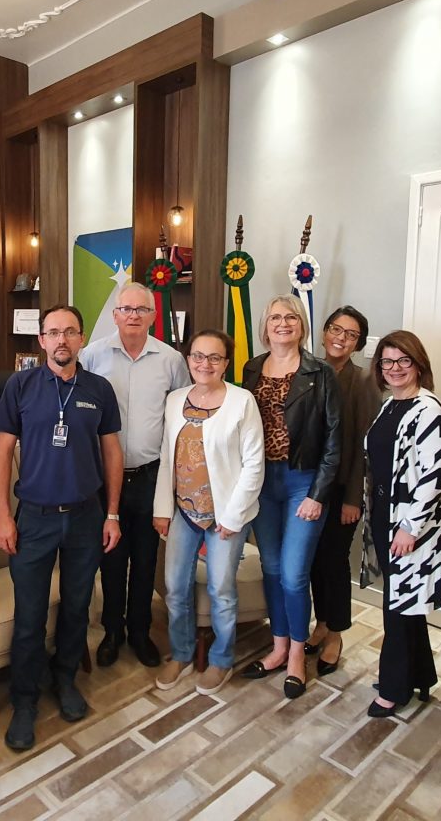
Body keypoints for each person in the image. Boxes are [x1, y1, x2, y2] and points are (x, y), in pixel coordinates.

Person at [0, 305, 123, 751]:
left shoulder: (99, 389)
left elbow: (112, 453)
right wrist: (4, 515)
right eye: (53, 333)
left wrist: (112, 513)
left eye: (69, 332)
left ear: (81, 338)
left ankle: (65, 680)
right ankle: (24, 699)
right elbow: (2, 452)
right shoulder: (20, 385)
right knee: (29, 616)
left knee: (76, 606)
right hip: (35, 518)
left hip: (86, 516)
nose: (61, 340)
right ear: (42, 340)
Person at [79, 282, 190, 668]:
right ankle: (112, 631)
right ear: (115, 315)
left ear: (153, 316)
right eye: (126, 309)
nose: (133, 316)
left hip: (150, 476)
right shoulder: (92, 356)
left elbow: (182, 417)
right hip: (103, 478)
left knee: (145, 560)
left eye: (141, 310)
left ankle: (140, 631)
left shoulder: (171, 360)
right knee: (111, 559)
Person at [151, 330, 265, 695]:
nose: (205, 364)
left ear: (226, 363)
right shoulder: (175, 400)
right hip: (183, 512)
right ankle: (182, 653)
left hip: (225, 517)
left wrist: (233, 517)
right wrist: (162, 508)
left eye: (215, 357)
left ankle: (221, 659)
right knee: (175, 587)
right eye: (198, 356)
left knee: (221, 589)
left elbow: (254, 464)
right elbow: (167, 457)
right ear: (188, 360)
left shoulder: (242, 401)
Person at [238, 295, 340, 700]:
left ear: (302, 325)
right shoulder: (251, 368)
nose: (283, 323)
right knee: (272, 567)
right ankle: (278, 646)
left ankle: (298, 653)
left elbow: (334, 440)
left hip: (303, 482)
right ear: (265, 326)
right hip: (262, 482)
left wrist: (318, 494)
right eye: (275, 317)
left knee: (295, 573)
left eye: (291, 317)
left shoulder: (320, 372)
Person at [364, 331, 441, 717]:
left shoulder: (429, 410)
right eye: (387, 361)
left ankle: (393, 688)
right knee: (403, 601)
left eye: (403, 361)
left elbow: (435, 476)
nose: (395, 368)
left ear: (418, 365)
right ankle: (421, 675)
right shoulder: (390, 405)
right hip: (384, 515)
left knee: (397, 608)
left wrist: (410, 527)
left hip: (410, 523)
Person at [306, 306, 381, 676]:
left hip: (341, 491)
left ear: (359, 343)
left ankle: (335, 634)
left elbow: (365, 446)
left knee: (334, 563)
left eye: (351, 334)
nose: (341, 338)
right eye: (336, 329)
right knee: (312, 561)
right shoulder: (309, 371)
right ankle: (321, 623)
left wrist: (353, 498)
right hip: (308, 487)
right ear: (324, 332)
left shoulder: (364, 381)